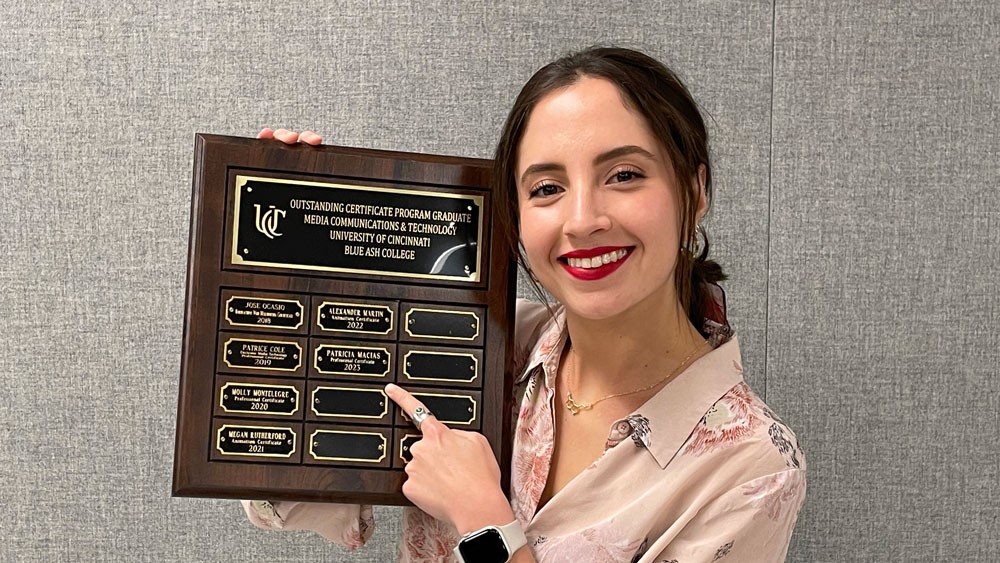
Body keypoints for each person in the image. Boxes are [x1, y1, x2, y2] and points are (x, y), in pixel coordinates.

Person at [244, 47, 806, 562]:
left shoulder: (752, 467)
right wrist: (290, 248)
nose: (583, 219)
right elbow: (295, 487)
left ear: (695, 190)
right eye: (546, 188)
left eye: (624, 175)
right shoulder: (481, 342)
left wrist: (483, 523)